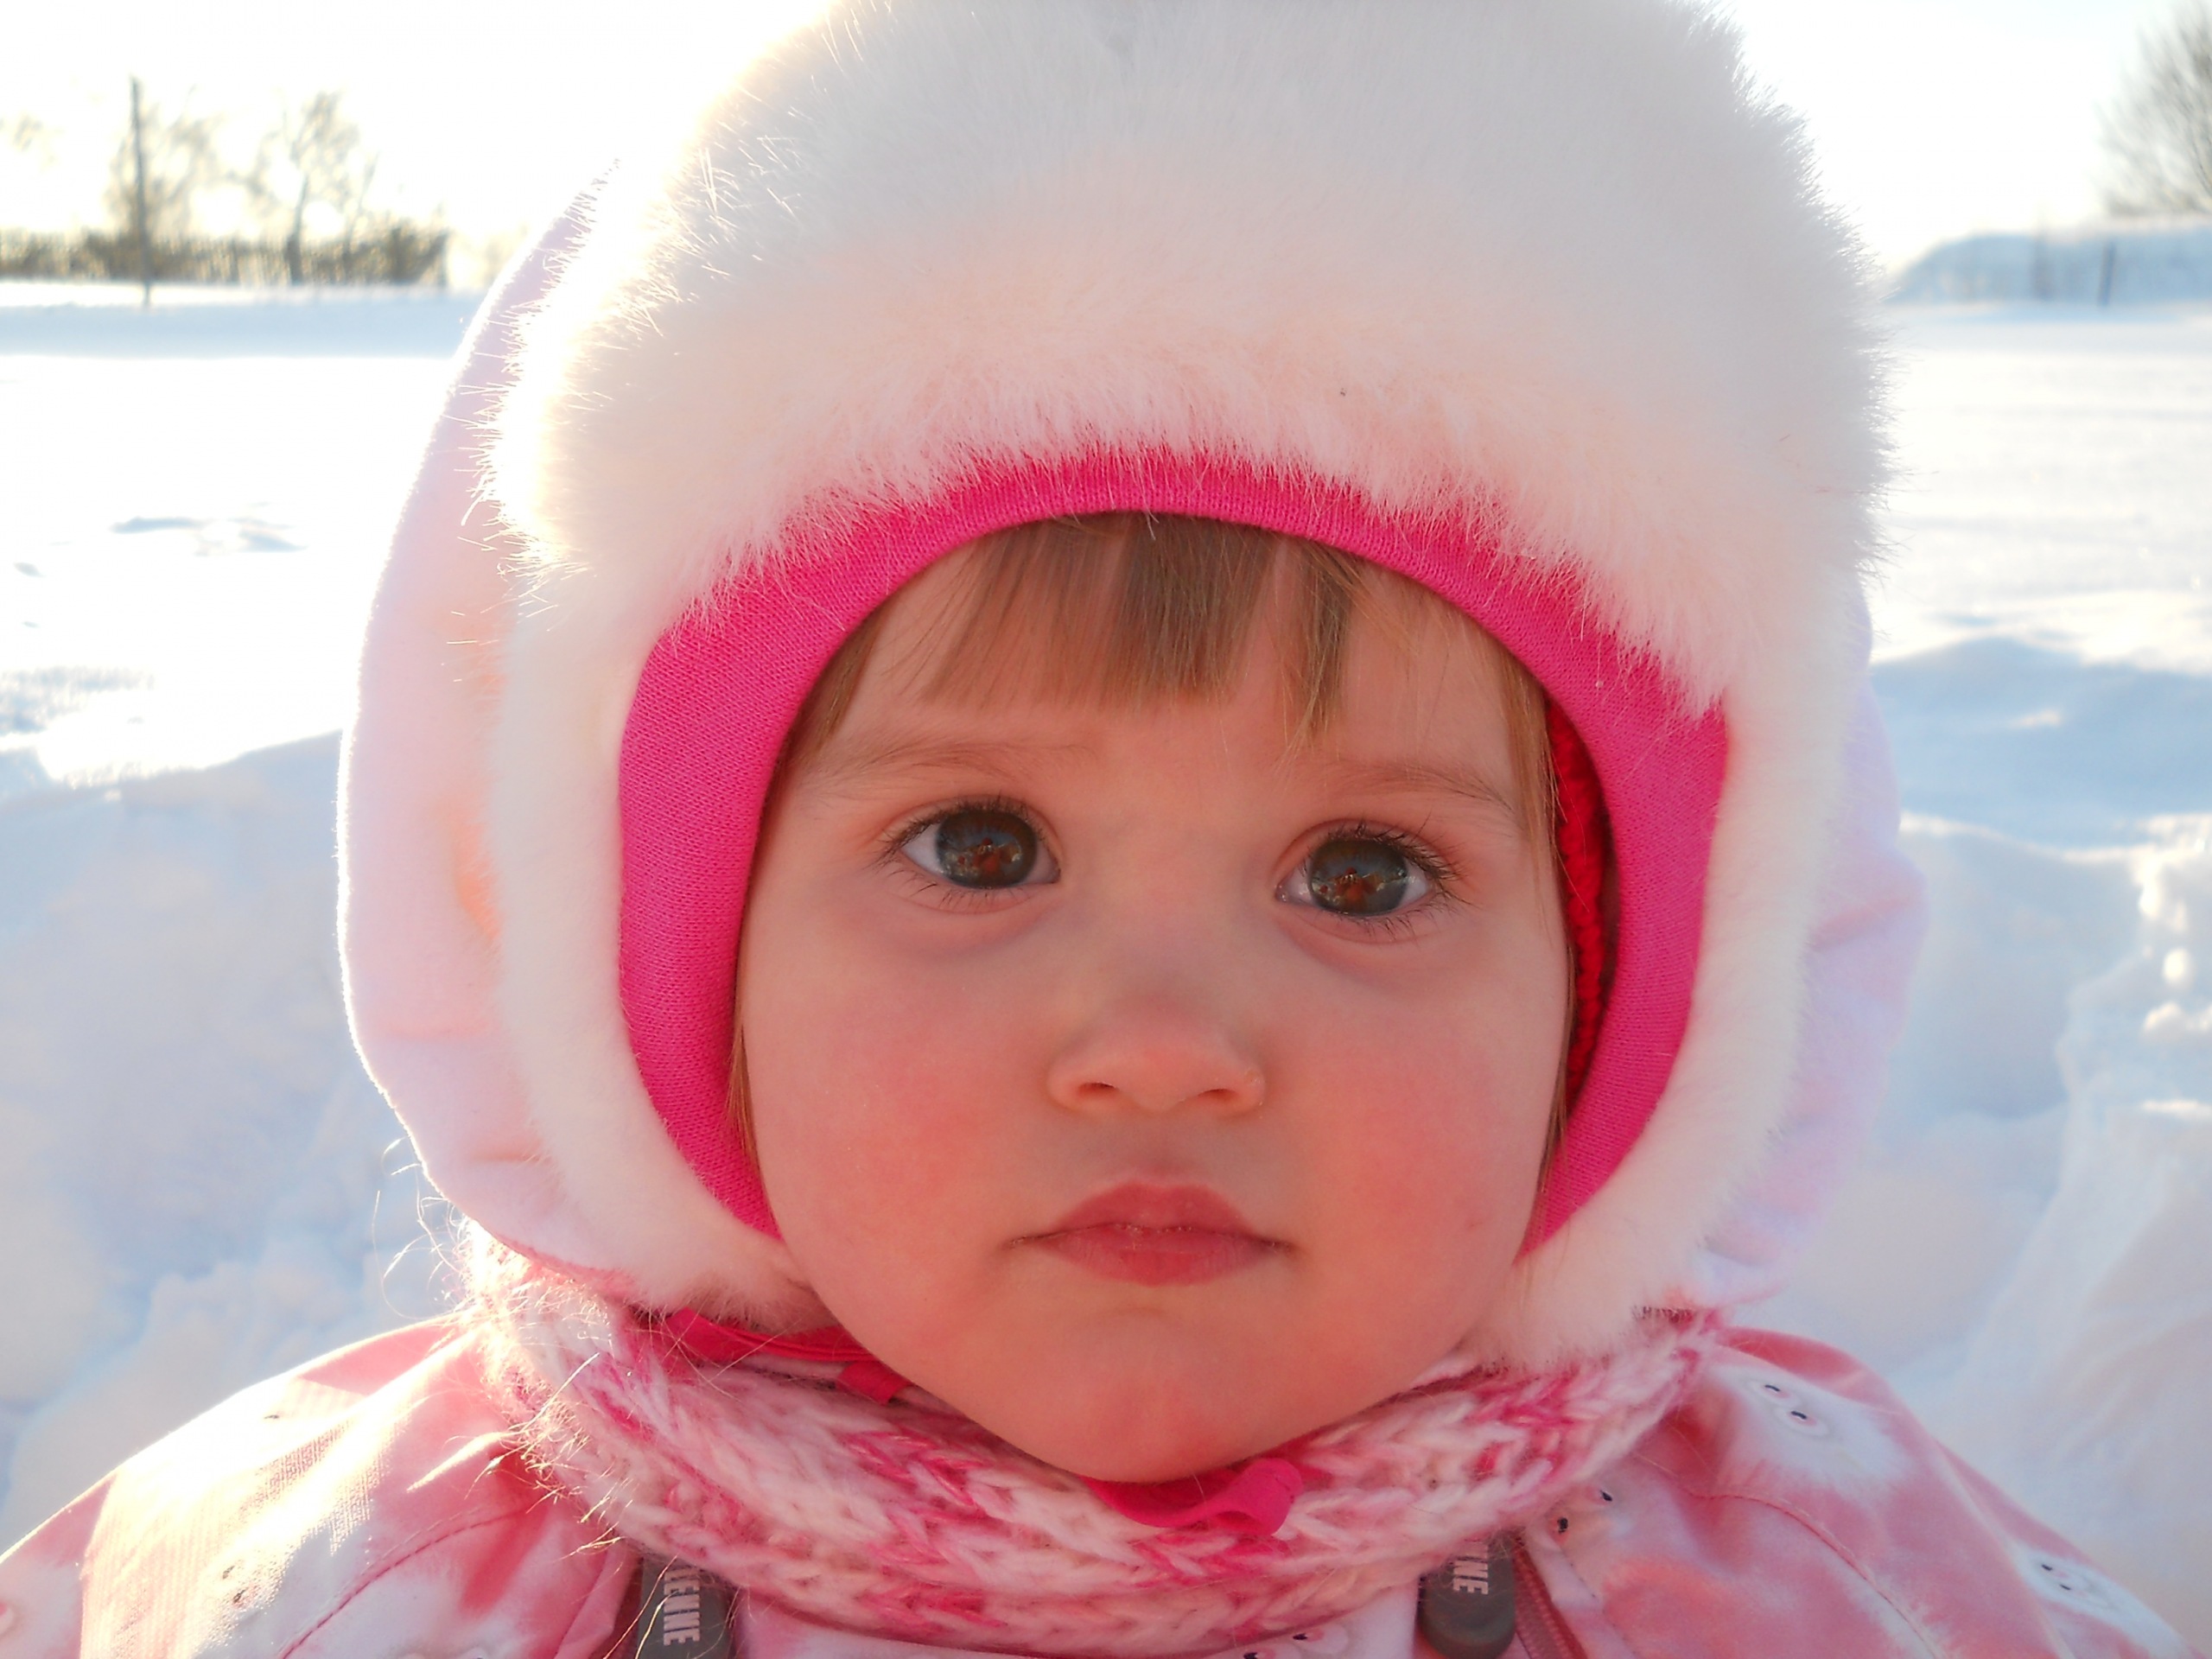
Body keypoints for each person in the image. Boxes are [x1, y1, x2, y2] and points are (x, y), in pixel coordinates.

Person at [0, 3, 2196, 1656]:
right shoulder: (336, 1592)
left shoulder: (1848, 1600)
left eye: (1362, 876)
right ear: (665, 964)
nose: (1159, 1044)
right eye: (979, 847)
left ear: (1626, 1010)